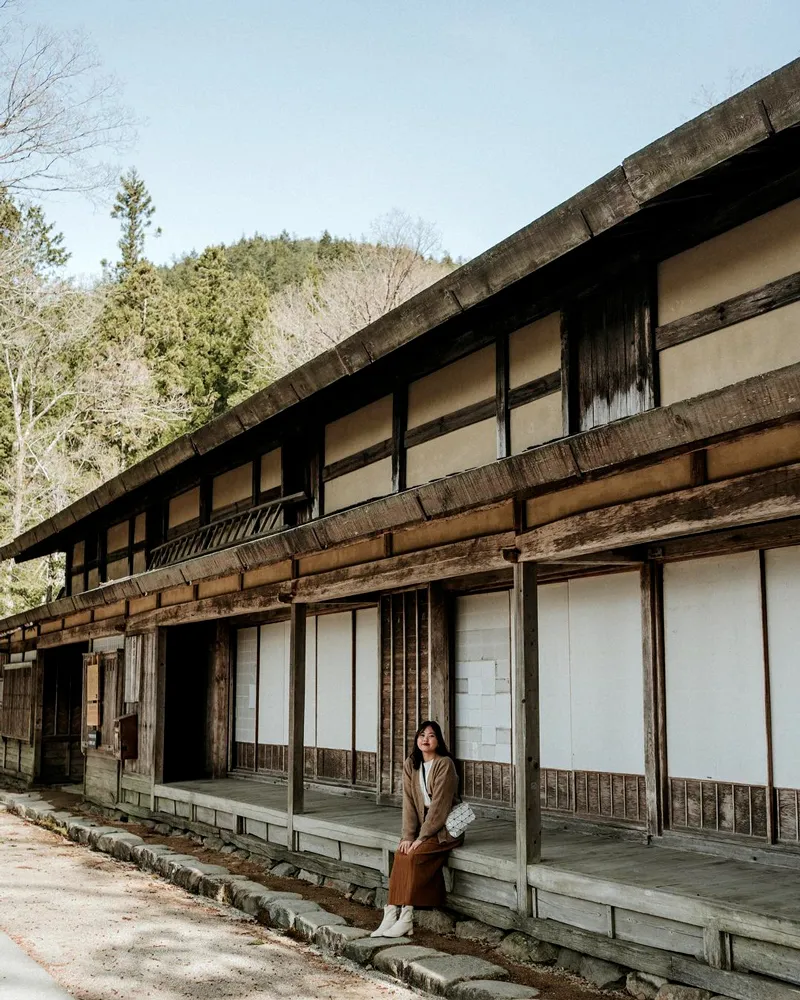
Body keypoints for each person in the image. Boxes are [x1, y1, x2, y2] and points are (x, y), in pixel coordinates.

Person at [371, 720, 463, 938]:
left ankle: (407, 917)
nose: (425, 739)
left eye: (431, 735)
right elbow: (409, 805)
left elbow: (440, 806)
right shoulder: (411, 764)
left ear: (438, 740)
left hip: (445, 830)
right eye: (422, 735)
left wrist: (421, 838)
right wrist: (408, 836)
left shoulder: (445, 764)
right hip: (423, 829)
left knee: (413, 855)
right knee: (402, 852)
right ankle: (391, 914)